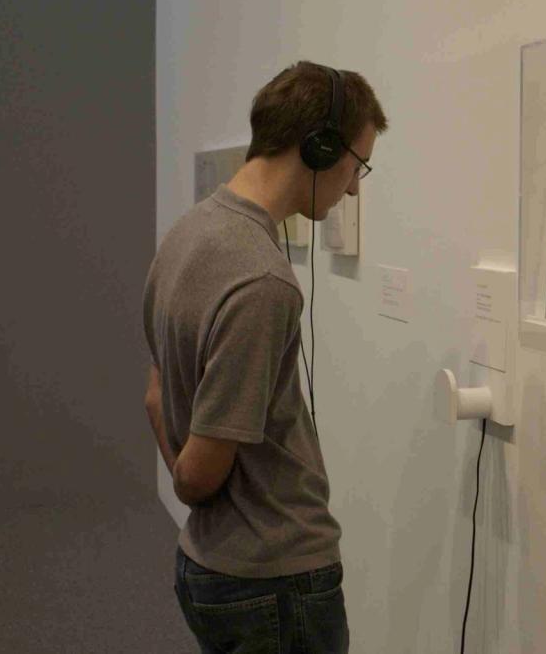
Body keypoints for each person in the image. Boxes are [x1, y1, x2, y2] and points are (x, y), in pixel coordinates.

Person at [142, 60, 388, 653]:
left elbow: (155, 393)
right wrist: (187, 478)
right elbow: (200, 475)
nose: (355, 186)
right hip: (272, 582)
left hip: (213, 564)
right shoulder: (262, 282)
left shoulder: (187, 232)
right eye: (357, 165)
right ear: (320, 148)